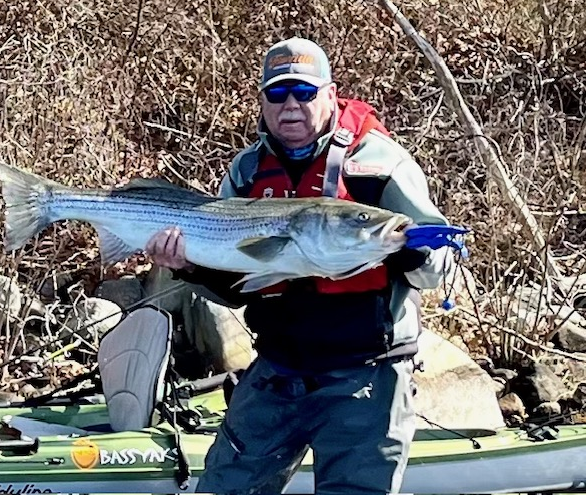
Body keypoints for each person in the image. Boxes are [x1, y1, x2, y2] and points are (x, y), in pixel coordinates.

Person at [146, 37, 452, 495]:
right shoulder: (248, 171)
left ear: (330, 94)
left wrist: (412, 249)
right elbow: (238, 283)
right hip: (279, 366)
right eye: (278, 93)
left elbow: (436, 270)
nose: (291, 105)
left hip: (366, 371)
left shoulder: (382, 164)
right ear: (264, 101)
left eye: (305, 93)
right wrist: (189, 266)